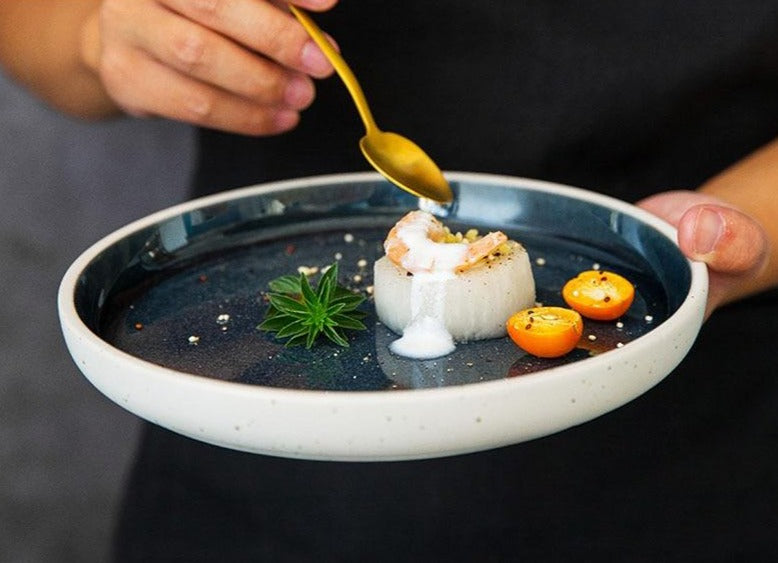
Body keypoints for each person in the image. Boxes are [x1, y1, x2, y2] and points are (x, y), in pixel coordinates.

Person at [3, 1, 777, 560]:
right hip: (255, 458)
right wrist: (100, 34)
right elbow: (29, 30)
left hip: (681, 465)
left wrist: (736, 227)